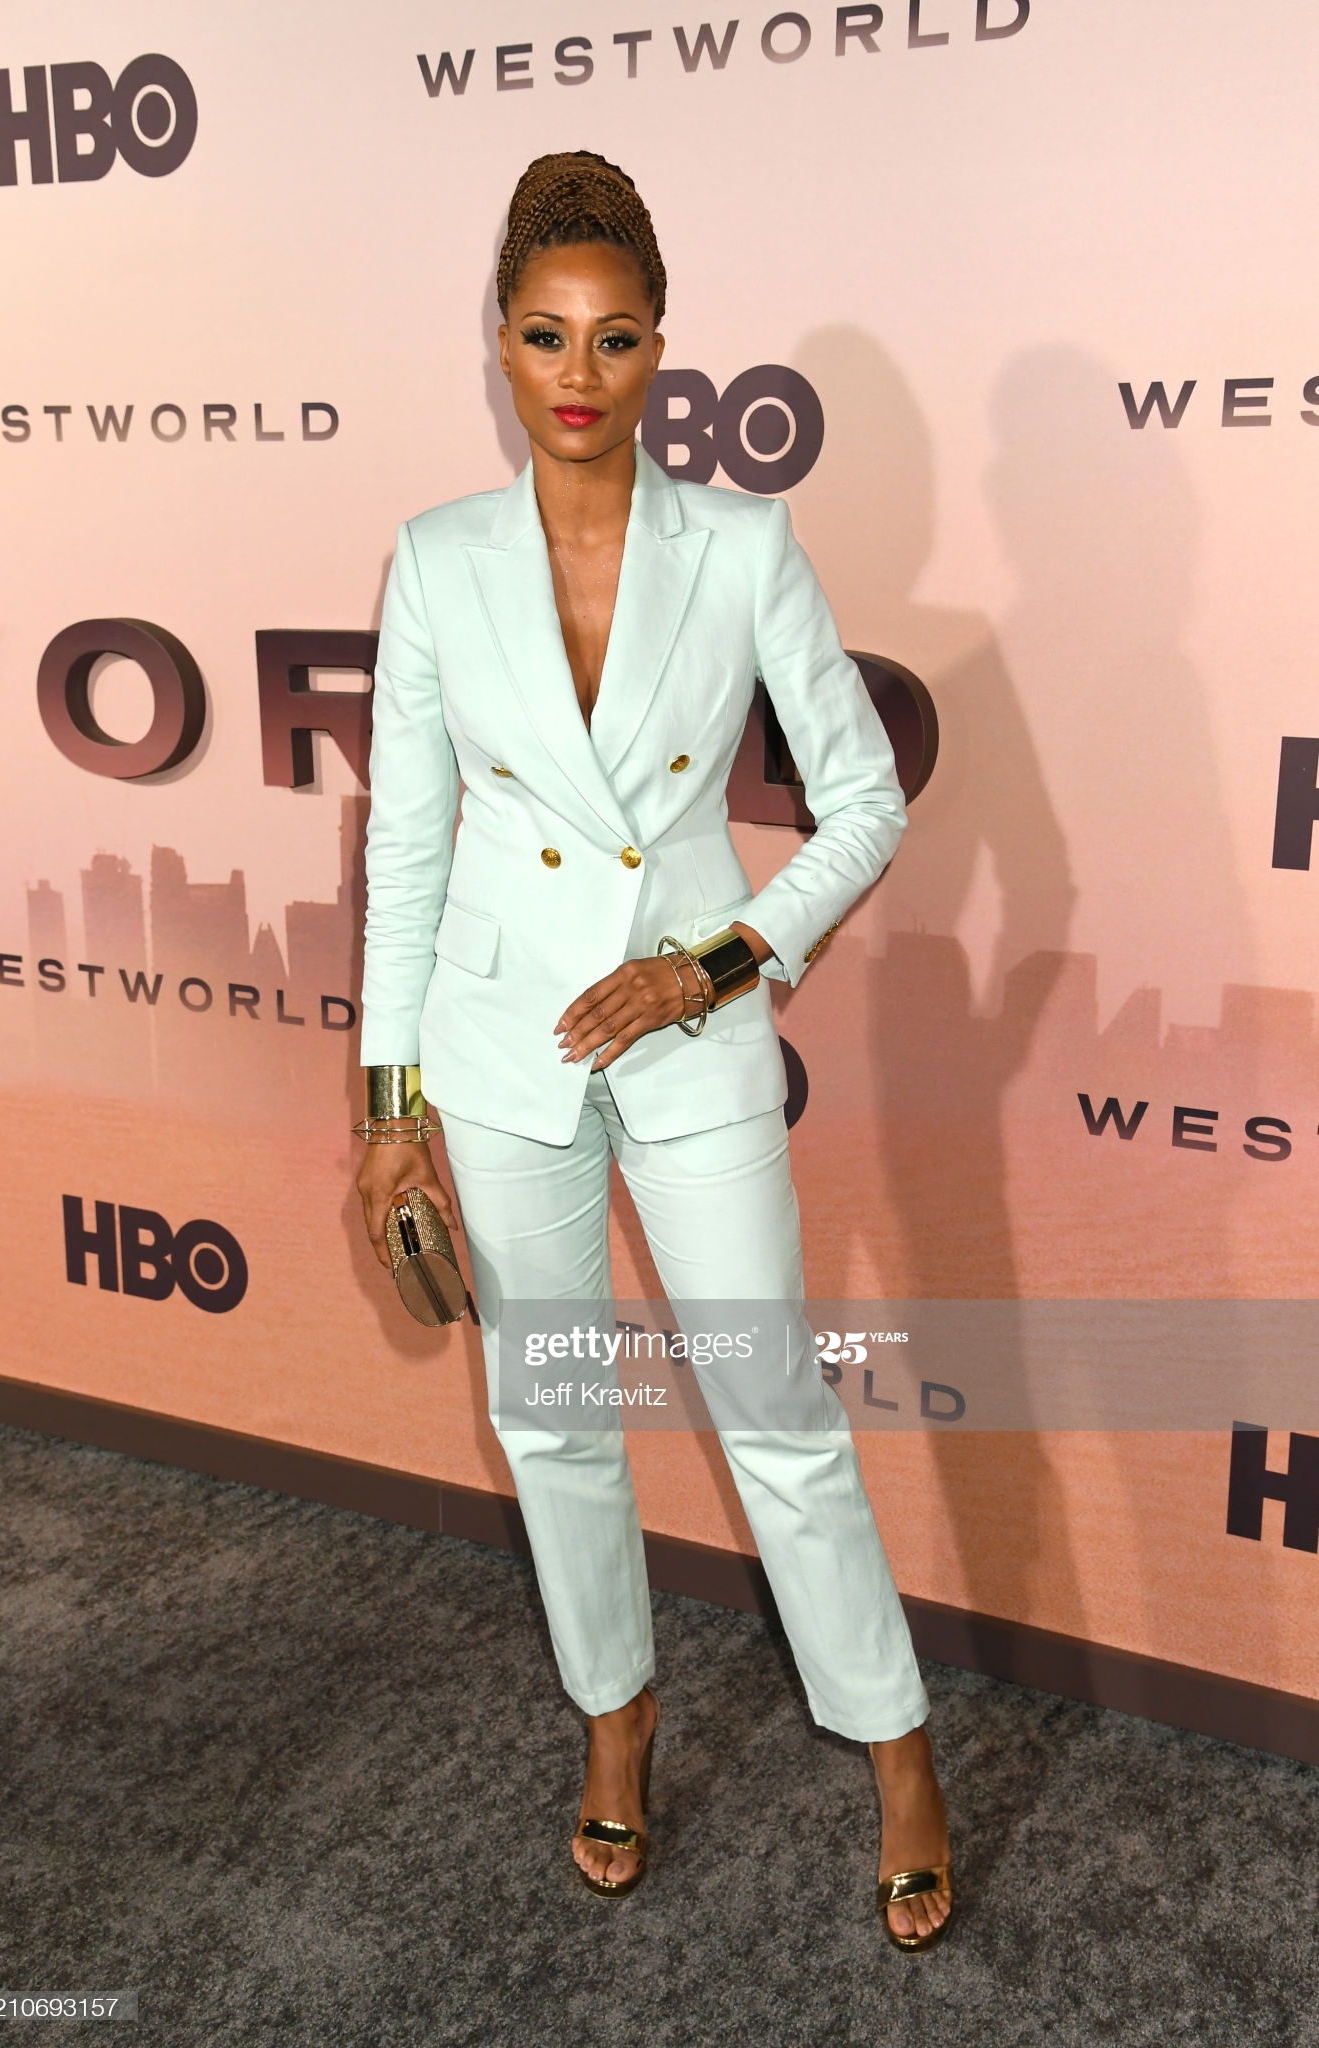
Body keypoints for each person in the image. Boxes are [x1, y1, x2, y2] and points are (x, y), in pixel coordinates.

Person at [355, 151, 952, 1950]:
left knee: (773, 1412)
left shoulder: (741, 547)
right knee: (553, 1419)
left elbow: (862, 800)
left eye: (613, 337)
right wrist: (389, 1105)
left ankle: (897, 1751)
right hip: (499, 1046)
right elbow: (408, 842)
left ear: (659, 351)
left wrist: (709, 964)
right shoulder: (435, 560)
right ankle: (614, 1718)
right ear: (500, 343)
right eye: (546, 334)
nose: (579, 372)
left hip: (686, 1038)